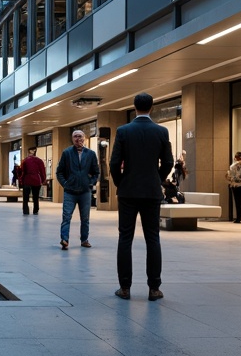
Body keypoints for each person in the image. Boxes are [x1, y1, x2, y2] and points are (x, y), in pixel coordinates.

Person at [109, 93, 174, 302]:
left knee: (125, 238)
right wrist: (157, 178)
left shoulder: (123, 131)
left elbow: (113, 163)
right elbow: (169, 162)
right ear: (152, 108)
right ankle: (154, 288)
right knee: (153, 238)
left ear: (134, 107)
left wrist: (122, 181)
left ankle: (125, 288)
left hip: (128, 192)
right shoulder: (161, 131)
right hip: (151, 192)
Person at [56, 130, 100, 250]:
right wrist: (65, 184)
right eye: (75, 136)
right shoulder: (67, 153)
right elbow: (59, 172)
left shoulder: (91, 154)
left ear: (84, 138)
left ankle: (84, 239)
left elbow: (96, 172)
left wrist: (91, 183)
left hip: (85, 192)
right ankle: (64, 239)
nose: (77, 139)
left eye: (79, 136)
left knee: (85, 218)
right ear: (72, 139)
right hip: (70, 191)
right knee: (66, 217)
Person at [20, 147, 47, 215]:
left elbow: (22, 171)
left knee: (25, 197)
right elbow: (42, 171)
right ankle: (36, 209)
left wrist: (21, 180)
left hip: (27, 179)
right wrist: (43, 179)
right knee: (36, 196)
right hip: (36, 179)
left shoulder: (25, 160)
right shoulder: (40, 161)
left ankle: (25, 210)